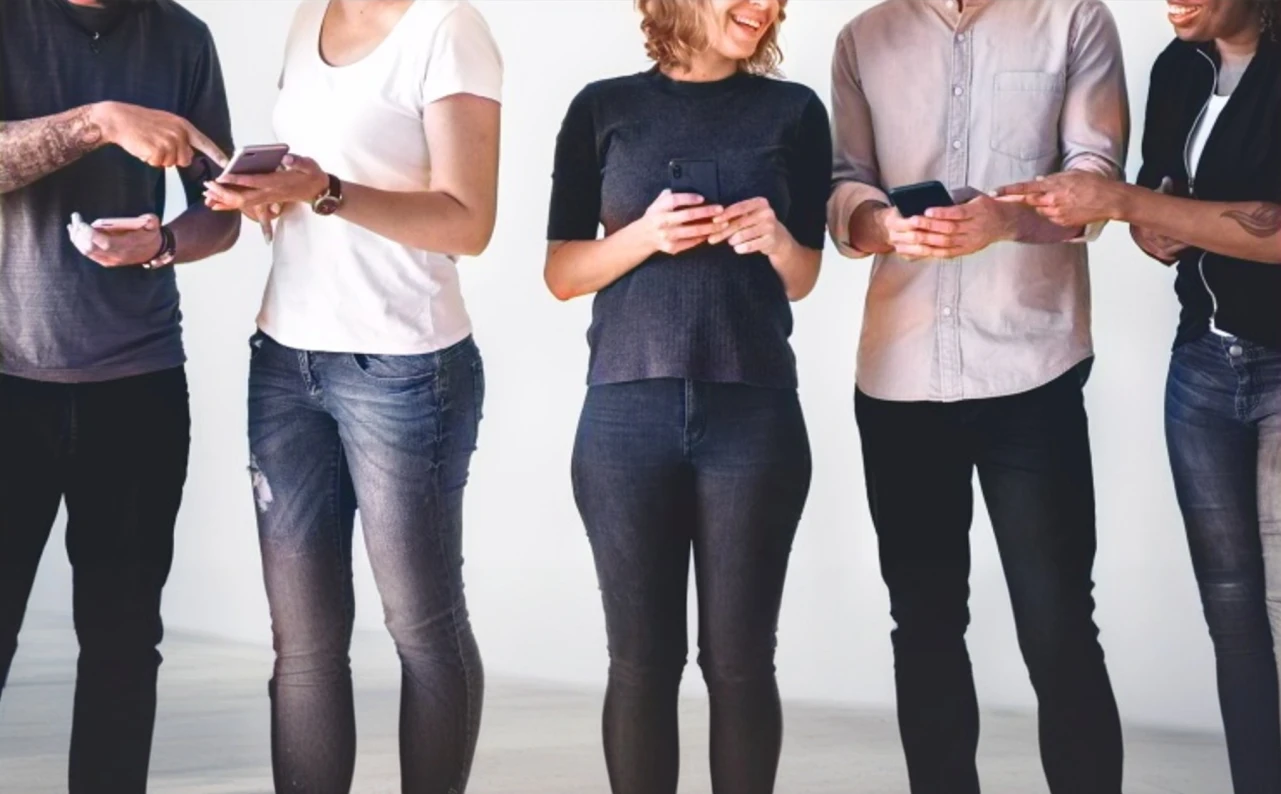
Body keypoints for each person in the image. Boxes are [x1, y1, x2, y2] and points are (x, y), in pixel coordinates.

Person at [826, 1, 1131, 791]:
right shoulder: (862, 39)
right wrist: (880, 226)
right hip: (899, 376)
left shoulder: (1072, 20)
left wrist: (1004, 220)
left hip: (1030, 369)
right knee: (923, 626)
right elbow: (843, 186)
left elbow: (1096, 175)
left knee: (1058, 621)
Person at [201, 1, 501, 791]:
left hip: (403, 366)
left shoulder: (447, 28)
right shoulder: (311, 18)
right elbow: (309, 179)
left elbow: (468, 224)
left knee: (421, 628)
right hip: (285, 362)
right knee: (301, 642)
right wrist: (272, 197)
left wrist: (328, 190)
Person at [543, 1, 830, 791]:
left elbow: (803, 277)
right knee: (640, 662)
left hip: (755, 412)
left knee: (739, 663)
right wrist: (645, 236)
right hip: (625, 415)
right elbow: (561, 273)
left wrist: (775, 239)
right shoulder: (602, 108)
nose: (766, 6)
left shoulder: (795, 111)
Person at [998, 2, 1281, 790]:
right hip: (1202, 365)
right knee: (1233, 621)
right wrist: (1150, 221)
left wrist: (1130, 205)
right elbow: (1164, 205)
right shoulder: (1175, 66)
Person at [0, 0, 237, 791]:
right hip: (7, 381)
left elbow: (221, 208)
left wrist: (166, 241)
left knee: (123, 641)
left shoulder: (182, 38)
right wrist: (102, 120)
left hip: (138, 385)